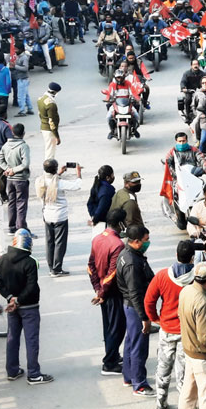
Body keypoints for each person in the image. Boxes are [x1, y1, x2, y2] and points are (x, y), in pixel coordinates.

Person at [0, 229, 54, 385]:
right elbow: (31, 287)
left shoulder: (3, 259)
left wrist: (10, 299)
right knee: (31, 340)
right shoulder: (30, 262)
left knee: (12, 338)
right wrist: (19, 300)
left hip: (12, 307)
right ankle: (34, 374)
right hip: (29, 307)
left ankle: (12, 370)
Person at [145, 240, 195, 409]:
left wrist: (156, 319)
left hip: (166, 330)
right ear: (192, 258)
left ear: (176, 255)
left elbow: (148, 301)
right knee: (184, 373)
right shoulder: (197, 278)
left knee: (163, 369)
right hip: (187, 333)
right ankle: (185, 404)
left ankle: (161, 402)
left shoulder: (162, 276)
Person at [116, 224, 156, 397]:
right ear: (137, 241)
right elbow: (135, 293)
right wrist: (145, 318)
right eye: (146, 240)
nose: (148, 243)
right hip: (135, 307)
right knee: (139, 346)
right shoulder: (132, 263)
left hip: (129, 306)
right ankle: (139, 384)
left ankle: (129, 376)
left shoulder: (127, 254)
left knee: (131, 342)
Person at [178, 261, 206, 409]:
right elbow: (205, 337)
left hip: (190, 352)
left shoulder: (185, 291)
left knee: (188, 395)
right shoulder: (202, 303)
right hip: (203, 357)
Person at [87, 209, 128, 376]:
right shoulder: (118, 245)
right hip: (112, 292)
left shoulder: (97, 238)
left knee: (108, 326)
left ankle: (113, 355)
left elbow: (90, 266)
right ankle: (109, 363)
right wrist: (102, 292)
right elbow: (112, 273)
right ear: (120, 224)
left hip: (102, 291)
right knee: (117, 327)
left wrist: (97, 288)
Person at [35, 159, 82, 276]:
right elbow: (77, 186)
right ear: (55, 169)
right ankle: (57, 268)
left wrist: (59, 173)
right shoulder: (59, 183)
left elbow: (50, 181)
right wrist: (78, 172)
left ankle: (52, 267)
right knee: (60, 243)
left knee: (49, 242)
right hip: (60, 216)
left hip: (47, 215)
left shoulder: (39, 180)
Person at [0, 123, 30, 234]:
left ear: (12, 133)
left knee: (12, 202)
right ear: (23, 133)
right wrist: (14, 170)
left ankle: (11, 227)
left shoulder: (6, 145)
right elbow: (25, 164)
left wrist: (8, 169)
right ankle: (21, 228)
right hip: (20, 179)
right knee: (21, 203)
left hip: (10, 180)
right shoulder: (23, 146)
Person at [87, 165, 116, 236]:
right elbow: (102, 207)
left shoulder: (96, 186)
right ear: (108, 177)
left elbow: (89, 203)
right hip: (103, 223)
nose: (113, 177)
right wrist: (95, 219)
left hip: (97, 221)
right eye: (112, 175)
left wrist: (92, 215)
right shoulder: (106, 191)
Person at [36, 82, 62, 160]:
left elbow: (39, 114)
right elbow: (52, 122)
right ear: (55, 92)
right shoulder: (51, 104)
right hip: (49, 130)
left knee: (48, 149)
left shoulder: (41, 99)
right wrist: (57, 136)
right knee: (50, 152)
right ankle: (48, 171)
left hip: (43, 127)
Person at [13, 45, 33, 118]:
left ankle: (22, 111)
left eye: (16, 49)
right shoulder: (19, 56)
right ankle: (30, 108)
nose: (15, 51)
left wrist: (15, 66)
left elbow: (25, 68)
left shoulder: (24, 57)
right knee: (26, 95)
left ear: (21, 49)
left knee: (20, 96)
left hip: (22, 79)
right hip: (21, 78)